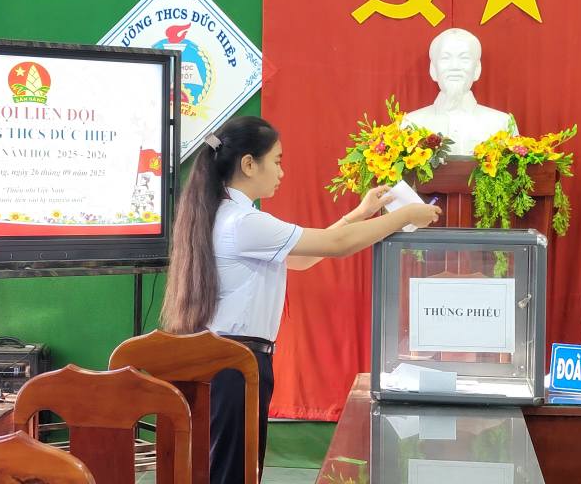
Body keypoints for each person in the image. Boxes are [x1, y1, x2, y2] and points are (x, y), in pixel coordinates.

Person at [159, 116, 440, 483]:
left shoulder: (227, 214)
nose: (281, 172)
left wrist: (360, 213)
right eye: (276, 161)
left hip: (228, 360)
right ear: (249, 164)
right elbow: (336, 245)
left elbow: (303, 257)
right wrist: (404, 215)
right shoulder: (244, 222)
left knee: (231, 470)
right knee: (231, 474)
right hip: (234, 363)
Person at [402, 28, 518, 155]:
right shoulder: (411, 123)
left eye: (464, 58)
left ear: (477, 69)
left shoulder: (502, 123)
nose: (455, 66)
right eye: (445, 58)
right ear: (433, 69)